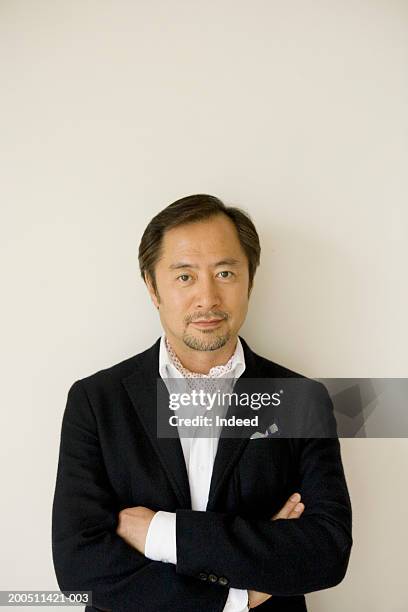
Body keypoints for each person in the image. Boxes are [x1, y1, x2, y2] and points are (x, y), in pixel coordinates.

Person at [52, 194, 352, 611]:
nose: (207, 298)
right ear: (152, 287)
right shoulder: (96, 400)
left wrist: (161, 533)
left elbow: (326, 550)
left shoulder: (301, 400)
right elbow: (78, 567)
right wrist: (237, 597)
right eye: (185, 277)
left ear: (250, 280)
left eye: (225, 272)